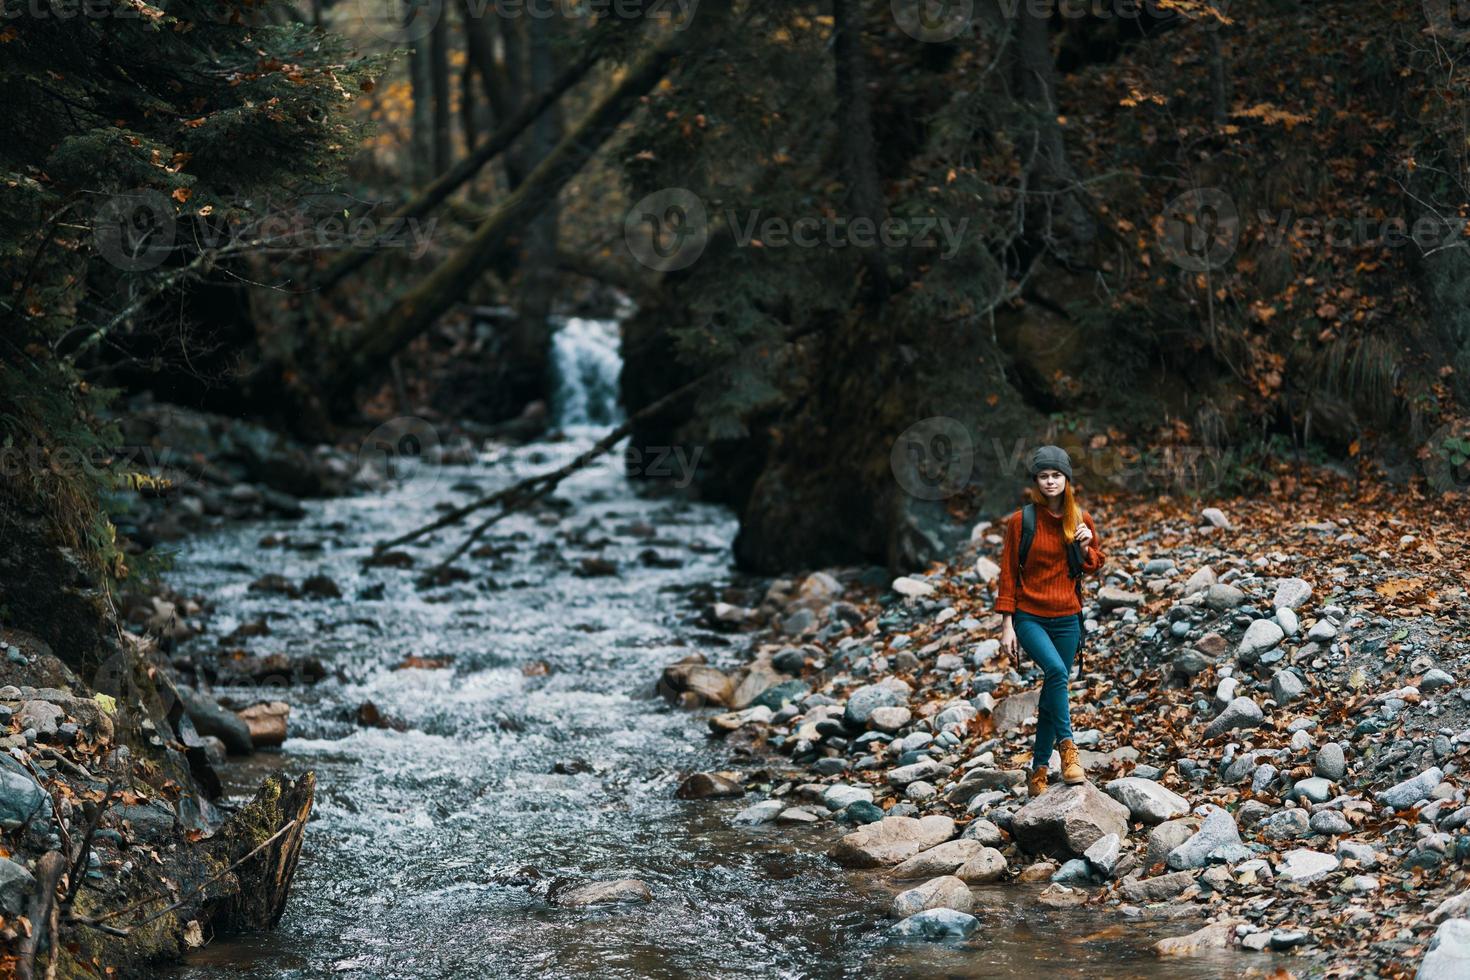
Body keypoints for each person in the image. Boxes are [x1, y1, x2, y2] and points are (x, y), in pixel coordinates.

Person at [993, 445, 1105, 798]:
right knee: (1056, 673)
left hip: (1068, 617)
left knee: (1052, 692)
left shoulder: (1080, 519)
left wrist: (1087, 547)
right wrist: (1006, 625)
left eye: (1056, 475)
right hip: (1030, 617)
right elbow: (1008, 574)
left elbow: (1094, 564)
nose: (1050, 481)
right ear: (1036, 481)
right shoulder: (1021, 521)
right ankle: (1069, 750)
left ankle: (1038, 771)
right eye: (1044, 476)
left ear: (1067, 480)